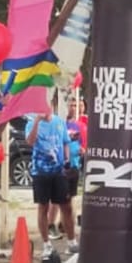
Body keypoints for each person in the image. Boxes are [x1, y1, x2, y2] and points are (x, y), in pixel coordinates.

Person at [28, 99, 77, 253]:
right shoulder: (31, 122)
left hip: (59, 171)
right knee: (43, 206)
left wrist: (67, 159)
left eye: (48, 106)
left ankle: (72, 241)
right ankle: (46, 243)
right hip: (40, 172)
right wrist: (37, 121)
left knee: (66, 206)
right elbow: (30, 141)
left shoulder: (59, 122)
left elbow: (65, 142)